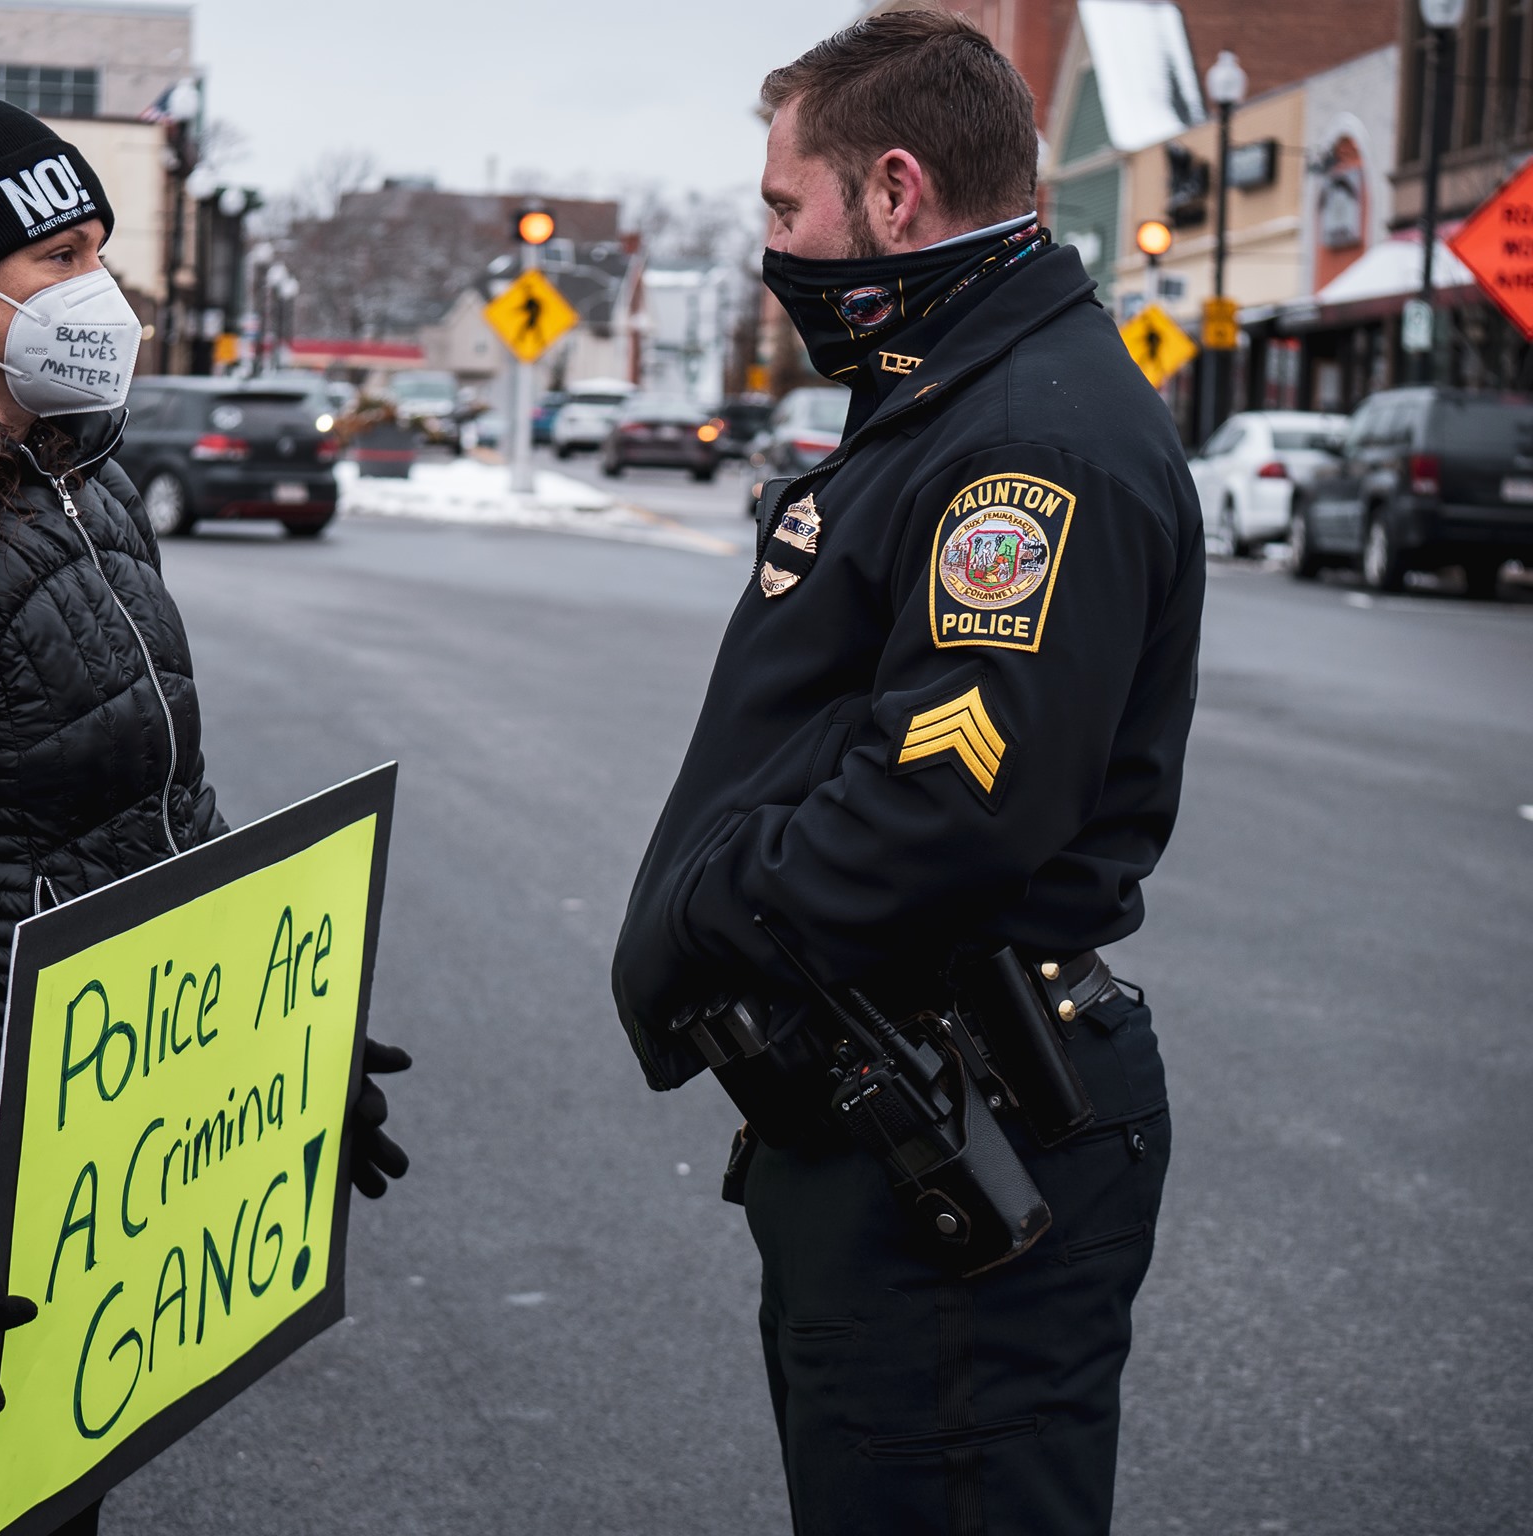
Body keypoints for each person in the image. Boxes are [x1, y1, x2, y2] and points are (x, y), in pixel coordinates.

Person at [0, 70, 408, 1533]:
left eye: (99, 247)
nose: (100, 288)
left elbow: (157, 803)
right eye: (58, 257)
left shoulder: (68, 479)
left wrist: (281, 1051)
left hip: (73, 1106)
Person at [611, 14, 1201, 1535]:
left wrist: (714, 913)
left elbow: (955, 799)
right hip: (903, 1096)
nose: (772, 246)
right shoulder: (962, 386)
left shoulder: (1024, 437)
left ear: (892, 192)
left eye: (782, 207)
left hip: (966, 1108)